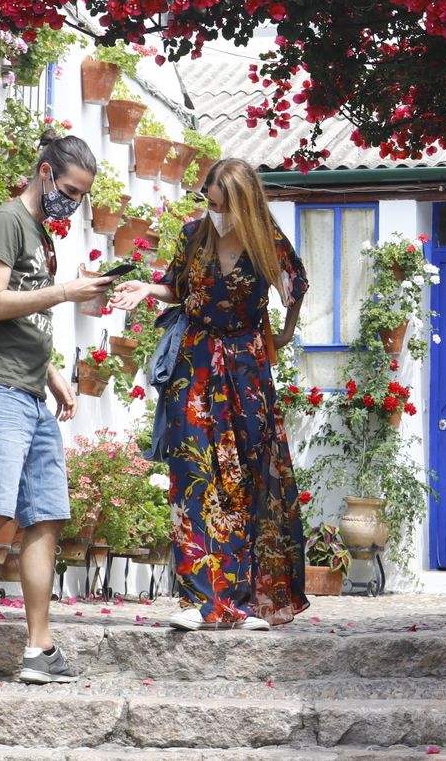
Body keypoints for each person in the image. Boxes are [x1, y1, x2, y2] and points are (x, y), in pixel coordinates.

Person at [0, 131, 148, 686]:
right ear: (43, 173)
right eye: (70, 189)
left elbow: (23, 318)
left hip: (30, 390)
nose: (74, 202)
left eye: (82, 194)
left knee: (46, 516)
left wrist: (54, 375)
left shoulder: (40, 236)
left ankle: (40, 648)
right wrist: (66, 292)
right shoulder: (6, 222)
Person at [137, 157, 310, 630]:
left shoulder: (268, 241)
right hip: (192, 368)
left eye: (219, 204)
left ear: (242, 202)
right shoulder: (193, 236)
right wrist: (143, 289)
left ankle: (244, 602)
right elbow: (174, 288)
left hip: (247, 372)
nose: (212, 211)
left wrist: (284, 335)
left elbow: (297, 287)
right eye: (208, 202)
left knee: (245, 481)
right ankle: (197, 601)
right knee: (191, 473)